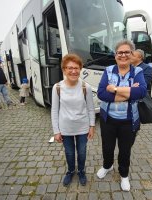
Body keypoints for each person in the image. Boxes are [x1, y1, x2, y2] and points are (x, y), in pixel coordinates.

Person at [96, 40, 147, 191]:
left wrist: (115, 89)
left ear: (132, 55)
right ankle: (107, 166)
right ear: (115, 55)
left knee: (125, 150)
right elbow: (101, 93)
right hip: (108, 120)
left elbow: (141, 92)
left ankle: (124, 175)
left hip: (129, 120)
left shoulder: (137, 72)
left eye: (127, 52)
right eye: (120, 52)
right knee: (107, 146)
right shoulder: (108, 70)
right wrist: (129, 91)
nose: (123, 55)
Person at [51, 54, 95, 187]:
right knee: (69, 152)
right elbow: (54, 110)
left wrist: (92, 126)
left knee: (82, 151)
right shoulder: (57, 87)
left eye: (76, 68)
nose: (74, 71)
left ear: (80, 69)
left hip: (82, 127)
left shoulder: (85, 87)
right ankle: (70, 171)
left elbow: (91, 109)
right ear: (64, 70)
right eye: (70, 68)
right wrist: (56, 131)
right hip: (65, 128)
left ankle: (81, 171)